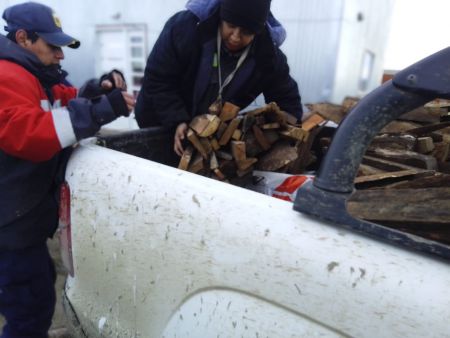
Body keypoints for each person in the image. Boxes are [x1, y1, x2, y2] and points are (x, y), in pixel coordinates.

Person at [0, 2, 135, 337]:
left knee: (38, 295)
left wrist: (97, 91)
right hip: (9, 226)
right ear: (23, 38)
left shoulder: (33, 76)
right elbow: (32, 134)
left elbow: (64, 100)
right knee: (28, 312)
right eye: (53, 45)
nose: (60, 55)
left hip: (23, 222)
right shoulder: (6, 77)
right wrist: (100, 112)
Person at [135, 0, 303, 156]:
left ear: (257, 32)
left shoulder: (267, 55)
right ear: (221, 16)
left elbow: (286, 97)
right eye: (230, 25)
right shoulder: (184, 28)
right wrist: (177, 120)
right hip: (159, 118)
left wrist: (289, 131)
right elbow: (158, 79)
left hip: (209, 132)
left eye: (246, 32)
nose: (236, 37)